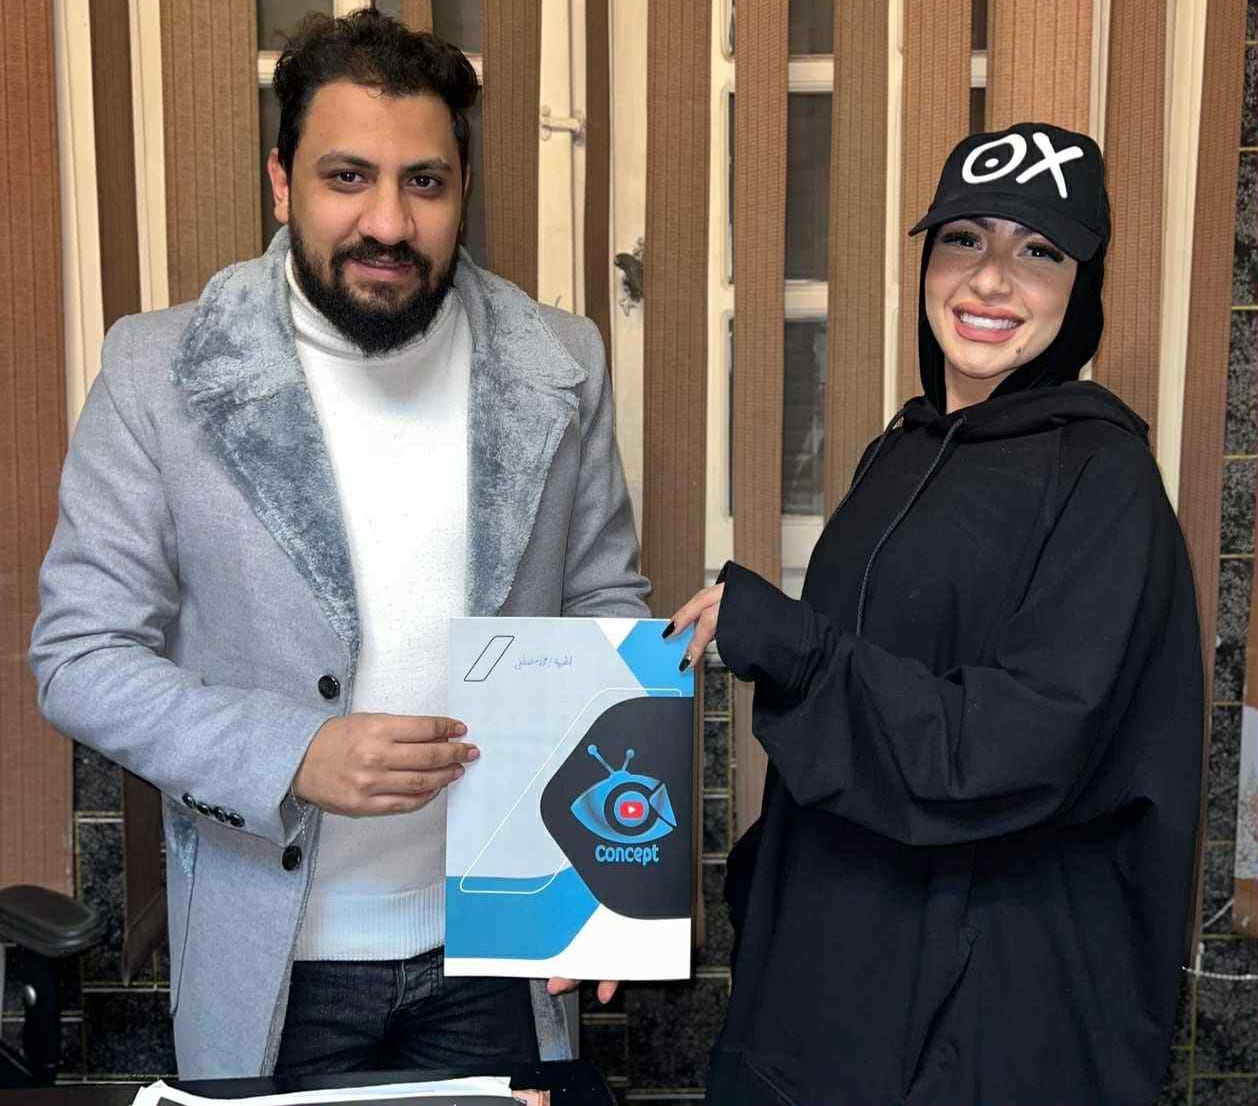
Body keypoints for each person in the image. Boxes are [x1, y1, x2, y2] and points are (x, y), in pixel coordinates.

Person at [29, 11, 643, 1080]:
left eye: (424, 182)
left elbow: (605, 611)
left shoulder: (562, 360)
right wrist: (293, 753)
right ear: (282, 183)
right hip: (273, 957)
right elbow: (78, 657)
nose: (388, 222)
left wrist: (607, 877)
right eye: (347, 177)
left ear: (462, 188)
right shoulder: (155, 372)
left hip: (503, 946)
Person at [668, 122, 1204, 1105]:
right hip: (835, 988)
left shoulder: (1105, 479)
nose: (991, 280)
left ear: (1080, 286)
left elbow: (1016, 745)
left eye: (1038, 252)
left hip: (980, 1024)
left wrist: (792, 646)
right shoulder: (898, 453)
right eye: (964, 239)